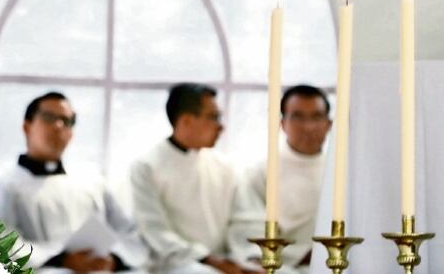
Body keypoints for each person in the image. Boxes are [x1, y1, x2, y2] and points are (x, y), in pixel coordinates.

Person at [0, 92, 148, 273]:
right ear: (27, 126)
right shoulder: (4, 186)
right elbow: (4, 243)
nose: (59, 126)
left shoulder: (93, 182)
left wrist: (114, 260)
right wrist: (63, 260)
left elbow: (129, 234)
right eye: (49, 118)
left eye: (67, 121)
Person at [130, 83, 257, 274]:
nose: (221, 126)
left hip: (226, 262)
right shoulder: (146, 167)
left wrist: (249, 258)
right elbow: (155, 231)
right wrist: (209, 260)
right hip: (175, 265)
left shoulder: (225, 167)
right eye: (213, 117)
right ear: (187, 120)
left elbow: (243, 221)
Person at [228, 85, 332, 273]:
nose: (308, 127)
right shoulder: (261, 172)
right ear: (282, 123)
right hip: (282, 266)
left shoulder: (340, 173)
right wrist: (300, 254)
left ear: (329, 124)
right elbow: (247, 227)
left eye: (316, 117)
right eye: (297, 117)